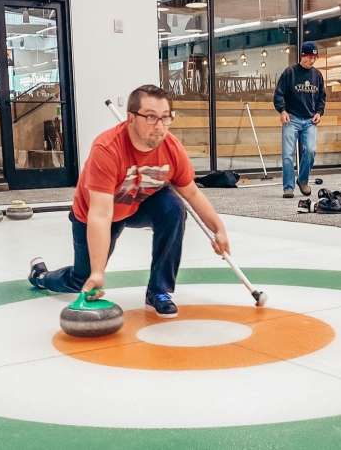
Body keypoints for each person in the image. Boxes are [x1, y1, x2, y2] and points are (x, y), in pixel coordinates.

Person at [28, 84, 230, 319]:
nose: (160, 126)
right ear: (131, 118)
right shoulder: (107, 148)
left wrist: (219, 229)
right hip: (97, 214)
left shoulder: (172, 148)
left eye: (166, 118)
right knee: (81, 279)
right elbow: (100, 215)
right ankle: (41, 277)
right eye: (151, 117)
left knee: (174, 207)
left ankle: (159, 291)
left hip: (137, 205)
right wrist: (97, 271)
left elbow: (193, 194)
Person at [274, 41, 326, 198]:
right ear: (302, 55)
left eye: (315, 57)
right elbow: (279, 93)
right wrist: (282, 110)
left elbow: (322, 97)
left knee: (310, 151)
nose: (312, 60)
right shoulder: (290, 73)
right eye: (310, 57)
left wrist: (319, 112)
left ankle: (302, 180)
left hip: (310, 120)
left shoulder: (317, 75)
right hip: (292, 118)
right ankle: (288, 187)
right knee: (288, 154)